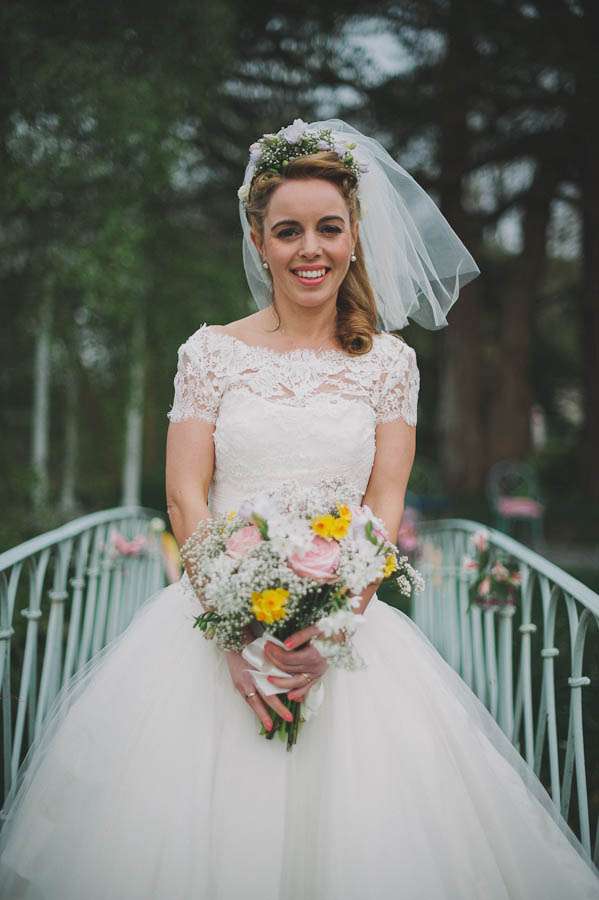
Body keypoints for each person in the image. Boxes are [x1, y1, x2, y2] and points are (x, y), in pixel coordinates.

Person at [0, 118, 597, 900]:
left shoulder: (389, 364)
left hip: (344, 630)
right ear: (259, 241)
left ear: (353, 236)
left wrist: (336, 625)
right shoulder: (209, 352)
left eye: (327, 228)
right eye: (288, 231)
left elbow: (383, 501)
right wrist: (234, 629)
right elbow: (184, 494)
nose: (309, 249)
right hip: (209, 627)